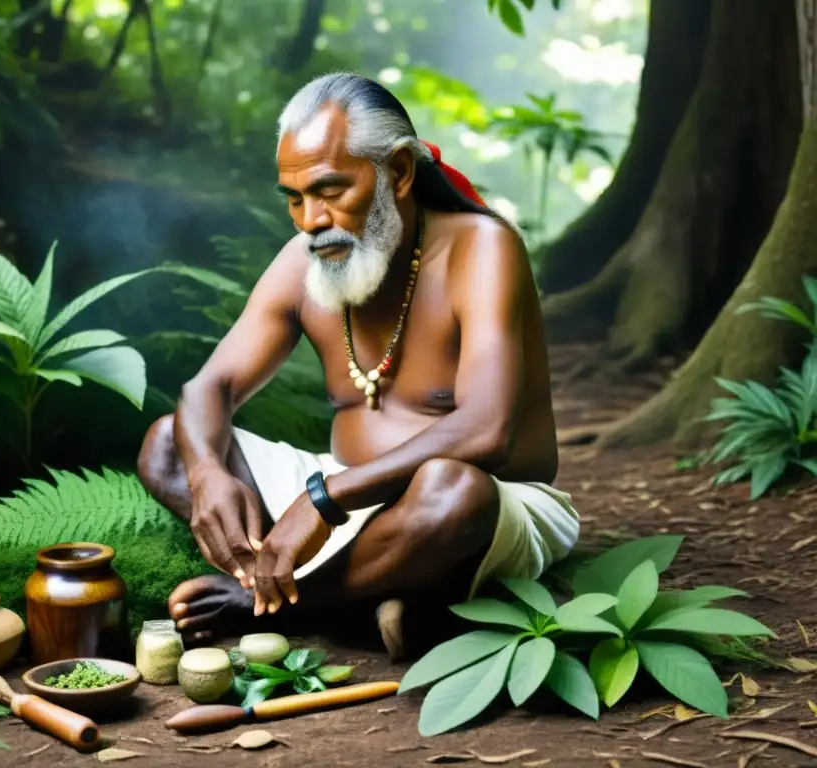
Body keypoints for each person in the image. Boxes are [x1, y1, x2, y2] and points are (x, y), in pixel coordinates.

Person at [137, 72, 579, 660]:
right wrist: (207, 477)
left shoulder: (481, 246)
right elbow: (209, 387)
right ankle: (372, 598)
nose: (310, 219)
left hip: (484, 504)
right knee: (172, 442)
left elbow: (486, 432)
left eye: (329, 190)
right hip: (344, 495)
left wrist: (321, 501)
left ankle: (274, 605)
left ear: (397, 172)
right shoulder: (303, 260)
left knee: (451, 490)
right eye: (294, 198)